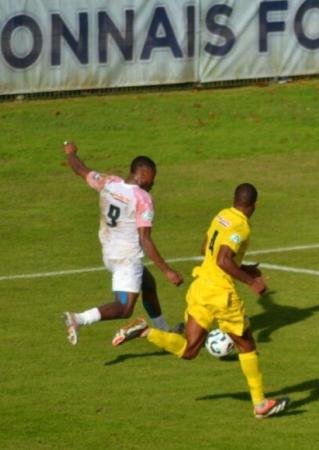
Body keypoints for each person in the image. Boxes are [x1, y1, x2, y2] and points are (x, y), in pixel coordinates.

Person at [114, 183, 289, 419]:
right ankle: (260, 404)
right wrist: (251, 281)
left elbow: (206, 248)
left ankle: (146, 331)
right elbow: (223, 260)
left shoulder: (222, 215)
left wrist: (242, 267)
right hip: (220, 295)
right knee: (246, 344)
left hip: (201, 287)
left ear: (235, 199)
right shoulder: (240, 226)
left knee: (189, 349)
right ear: (254, 205)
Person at [61, 141, 183, 345]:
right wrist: (167, 271)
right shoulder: (143, 198)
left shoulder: (109, 183)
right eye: (153, 178)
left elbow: (79, 168)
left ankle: (164, 330)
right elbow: (145, 239)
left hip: (109, 253)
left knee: (148, 284)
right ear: (142, 174)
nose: (153, 183)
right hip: (127, 258)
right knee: (125, 307)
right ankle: (79, 318)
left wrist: (71, 153)